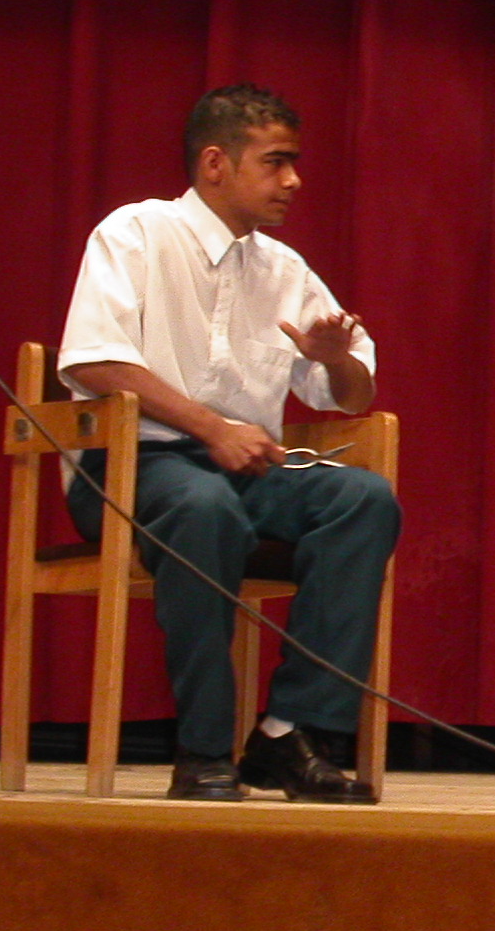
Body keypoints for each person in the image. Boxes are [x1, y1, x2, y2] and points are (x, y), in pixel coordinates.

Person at [58, 85, 400, 802]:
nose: (294, 180)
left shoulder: (284, 269)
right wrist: (211, 427)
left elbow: (352, 395)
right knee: (203, 506)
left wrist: (334, 359)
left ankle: (290, 733)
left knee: (363, 500)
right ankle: (203, 750)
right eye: (276, 162)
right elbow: (94, 361)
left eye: (294, 163)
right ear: (215, 163)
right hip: (134, 463)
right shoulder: (135, 234)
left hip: (246, 469)